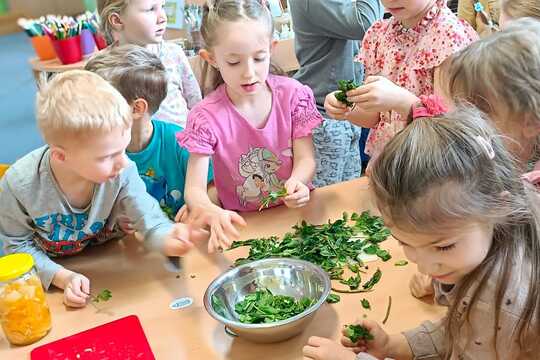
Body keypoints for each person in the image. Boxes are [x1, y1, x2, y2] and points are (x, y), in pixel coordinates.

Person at [303, 106, 540, 359]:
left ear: (497, 207)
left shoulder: (505, 299)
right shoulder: (491, 236)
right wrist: (394, 346)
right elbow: (466, 328)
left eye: (443, 247)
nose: (426, 268)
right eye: (404, 242)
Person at [0, 71, 204, 308]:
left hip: (106, 262)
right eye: (108, 156)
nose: (123, 162)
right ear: (61, 156)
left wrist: (167, 237)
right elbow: (14, 247)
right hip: (49, 273)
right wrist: (60, 277)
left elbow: (149, 218)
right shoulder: (20, 185)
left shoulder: (122, 169)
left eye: (123, 149)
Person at [176, 0, 323, 252]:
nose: (249, 72)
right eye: (234, 62)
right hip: (244, 228)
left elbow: (306, 158)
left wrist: (298, 181)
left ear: (271, 48)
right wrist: (208, 209)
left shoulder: (293, 95)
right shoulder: (205, 116)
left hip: (301, 219)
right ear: (211, 58)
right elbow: (194, 189)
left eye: (259, 58)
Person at [324, 0, 477, 170]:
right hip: (390, 164)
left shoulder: (448, 37)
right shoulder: (379, 34)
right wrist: (348, 107)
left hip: (431, 169)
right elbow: (375, 117)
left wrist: (401, 101)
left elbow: (449, 127)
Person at [85, 45, 213, 219]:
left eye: (99, 104)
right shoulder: (95, 151)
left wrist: (199, 208)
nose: (86, 112)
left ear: (137, 108)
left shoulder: (180, 142)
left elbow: (212, 188)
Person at [289, 0, 383, 186]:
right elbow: (366, 23)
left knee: (347, 193)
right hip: (324, 119)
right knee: (324, 199)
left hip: (346, 114)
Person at [97, 0, 202, 126]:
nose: (163, 17)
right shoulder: (102, 67)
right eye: (151, 9)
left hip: (180, 142)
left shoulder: (174, 54)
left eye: (162, 6)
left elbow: (196, 105)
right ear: (117, 20)